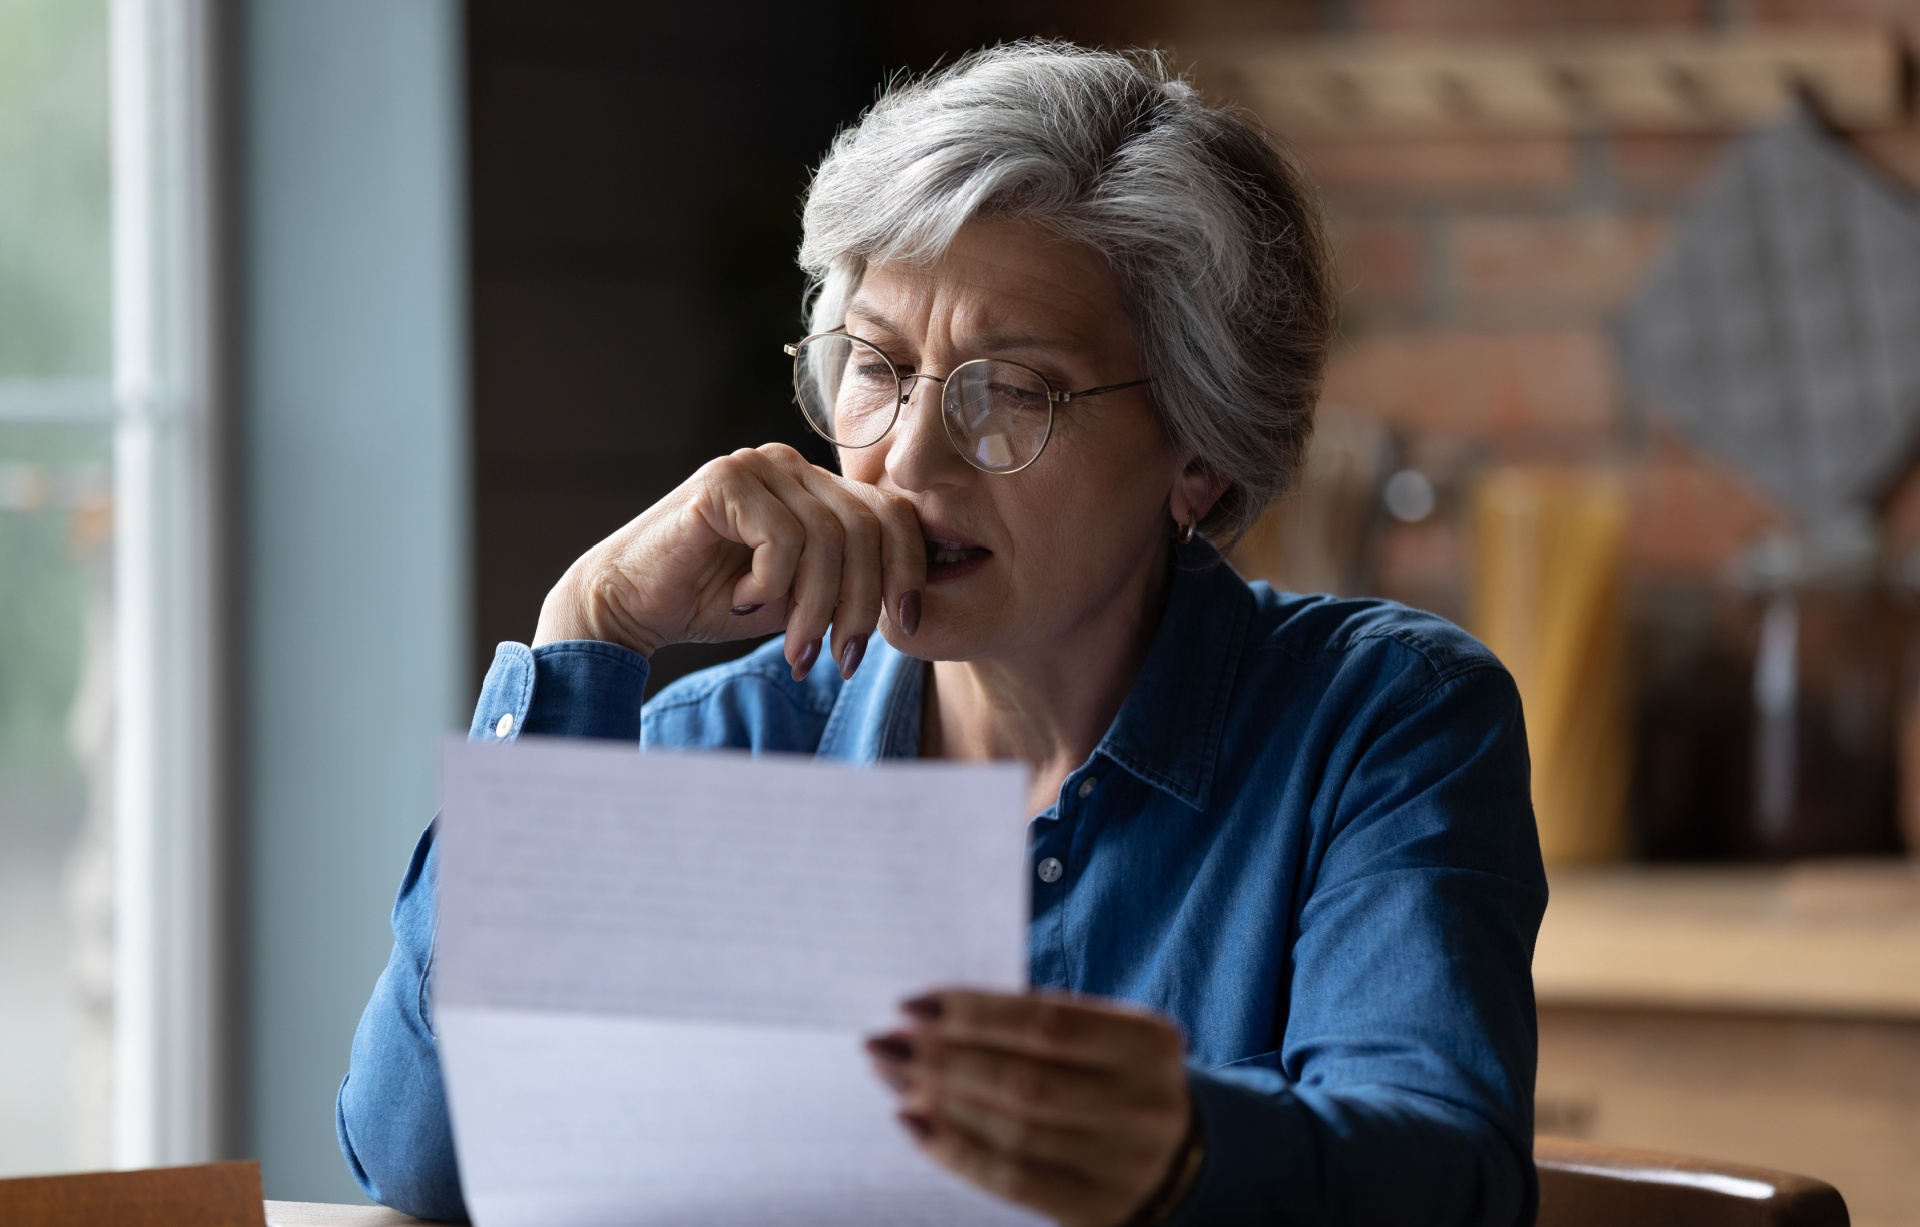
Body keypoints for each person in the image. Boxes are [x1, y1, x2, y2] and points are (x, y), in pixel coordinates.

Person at [337, 41, 1545, 1227]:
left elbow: (1449, 1176)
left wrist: (1180, 1149)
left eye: (1012, 391)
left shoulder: (1382, 722)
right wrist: (585, 629)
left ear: (1200, 450)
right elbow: (427, 1160)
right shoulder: (736, 740)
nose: (910, 462)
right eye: (876, 366)